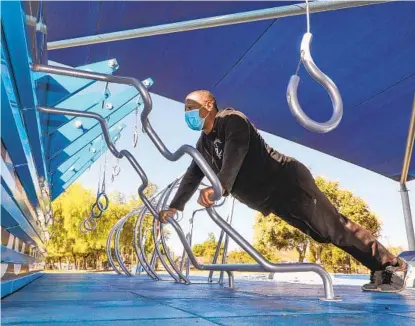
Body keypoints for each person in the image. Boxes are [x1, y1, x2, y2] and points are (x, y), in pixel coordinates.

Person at [159, 90, 409, 293]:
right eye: (185, 109)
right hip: (272, 199)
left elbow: (236, 151)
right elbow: (193, 174)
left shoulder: (232, 120)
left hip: (287, 181)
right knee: (323, 234)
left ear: (210, 105)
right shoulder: (203, 144)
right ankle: (380, 270)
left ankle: (393, 266)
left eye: (192, 107)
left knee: (334, 227)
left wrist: (220, 186)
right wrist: (175, 206)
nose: (188, 112)